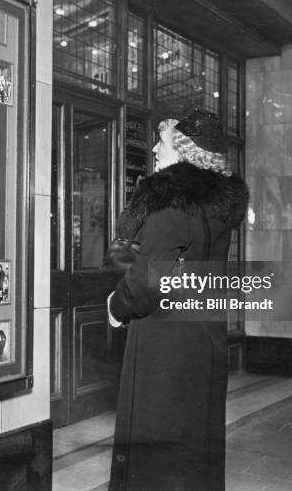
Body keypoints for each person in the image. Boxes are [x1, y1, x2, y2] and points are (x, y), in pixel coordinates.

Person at [106, 109, 248, 491]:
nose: (153, 148)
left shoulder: (171, 203)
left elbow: (145, 283)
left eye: (162, 143)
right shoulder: (218, 209)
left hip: (164, 345)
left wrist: (116, 308)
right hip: (205, 339)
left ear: (184, 153)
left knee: (155, 455)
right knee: (195, 446)